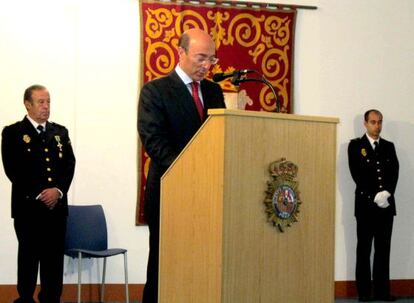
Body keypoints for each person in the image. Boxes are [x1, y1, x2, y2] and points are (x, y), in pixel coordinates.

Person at [138, 28, 226, 303]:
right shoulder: (156, 91)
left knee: (201, 262)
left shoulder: (213, 91)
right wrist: (191, 172)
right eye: (201, 58)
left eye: (211, 60)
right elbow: (154, 141)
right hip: (170, 190)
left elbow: (218, 136)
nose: (206, 66)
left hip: (207, 193)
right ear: (181, 53)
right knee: (164, 262)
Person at [1, 84, 76, 303]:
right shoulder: (13, 132)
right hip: (28, 209)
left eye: (48, 101)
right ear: (27, 104)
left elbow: (69, 165)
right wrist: (40, 193)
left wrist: (58, 191)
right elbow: (12, 168)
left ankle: (51, 298)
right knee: (29, 258)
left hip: (56, 209)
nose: (46, 106)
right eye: (41, 102)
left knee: (53, 260)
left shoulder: (60, 132)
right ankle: (25, 298)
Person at [348, 109, 399, 302]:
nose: (377, 126)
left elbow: (394, 171)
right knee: (364, 249)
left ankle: (382, 291)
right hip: (365, 206)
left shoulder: (389, 146)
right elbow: (357, 174)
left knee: (383, 249)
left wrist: (387, 193)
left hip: (386, 206)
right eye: (373, 122)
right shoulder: (355, 146)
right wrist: (374, 195)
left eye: (379, 122)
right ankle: (364, 292)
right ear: (365, 123)